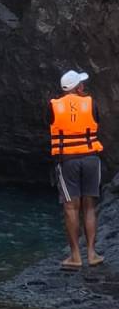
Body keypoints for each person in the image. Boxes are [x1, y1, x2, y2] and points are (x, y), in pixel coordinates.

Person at [50, 70, 104, 270]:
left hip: (67, 161)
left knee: (71, 208)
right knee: (89, 206)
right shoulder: (91, 103)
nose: (83, 86)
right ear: (77, 87)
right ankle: (91, 254)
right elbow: (96, 122)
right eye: (81, 84)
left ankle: (75, 257)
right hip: (91, 158)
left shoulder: (54, 106)